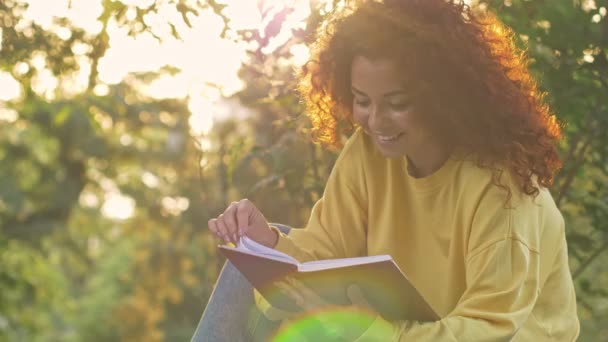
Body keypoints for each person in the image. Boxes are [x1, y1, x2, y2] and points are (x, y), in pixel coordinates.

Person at [206, 0, 580, 340]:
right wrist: (266, 243)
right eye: (362, 101)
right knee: (250, 265)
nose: (377, 121)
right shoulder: (369, 151)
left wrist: (374, 333)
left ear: (443, 95)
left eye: (397, 103)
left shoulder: (503, 188)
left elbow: (487, 330)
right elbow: (328, 249)